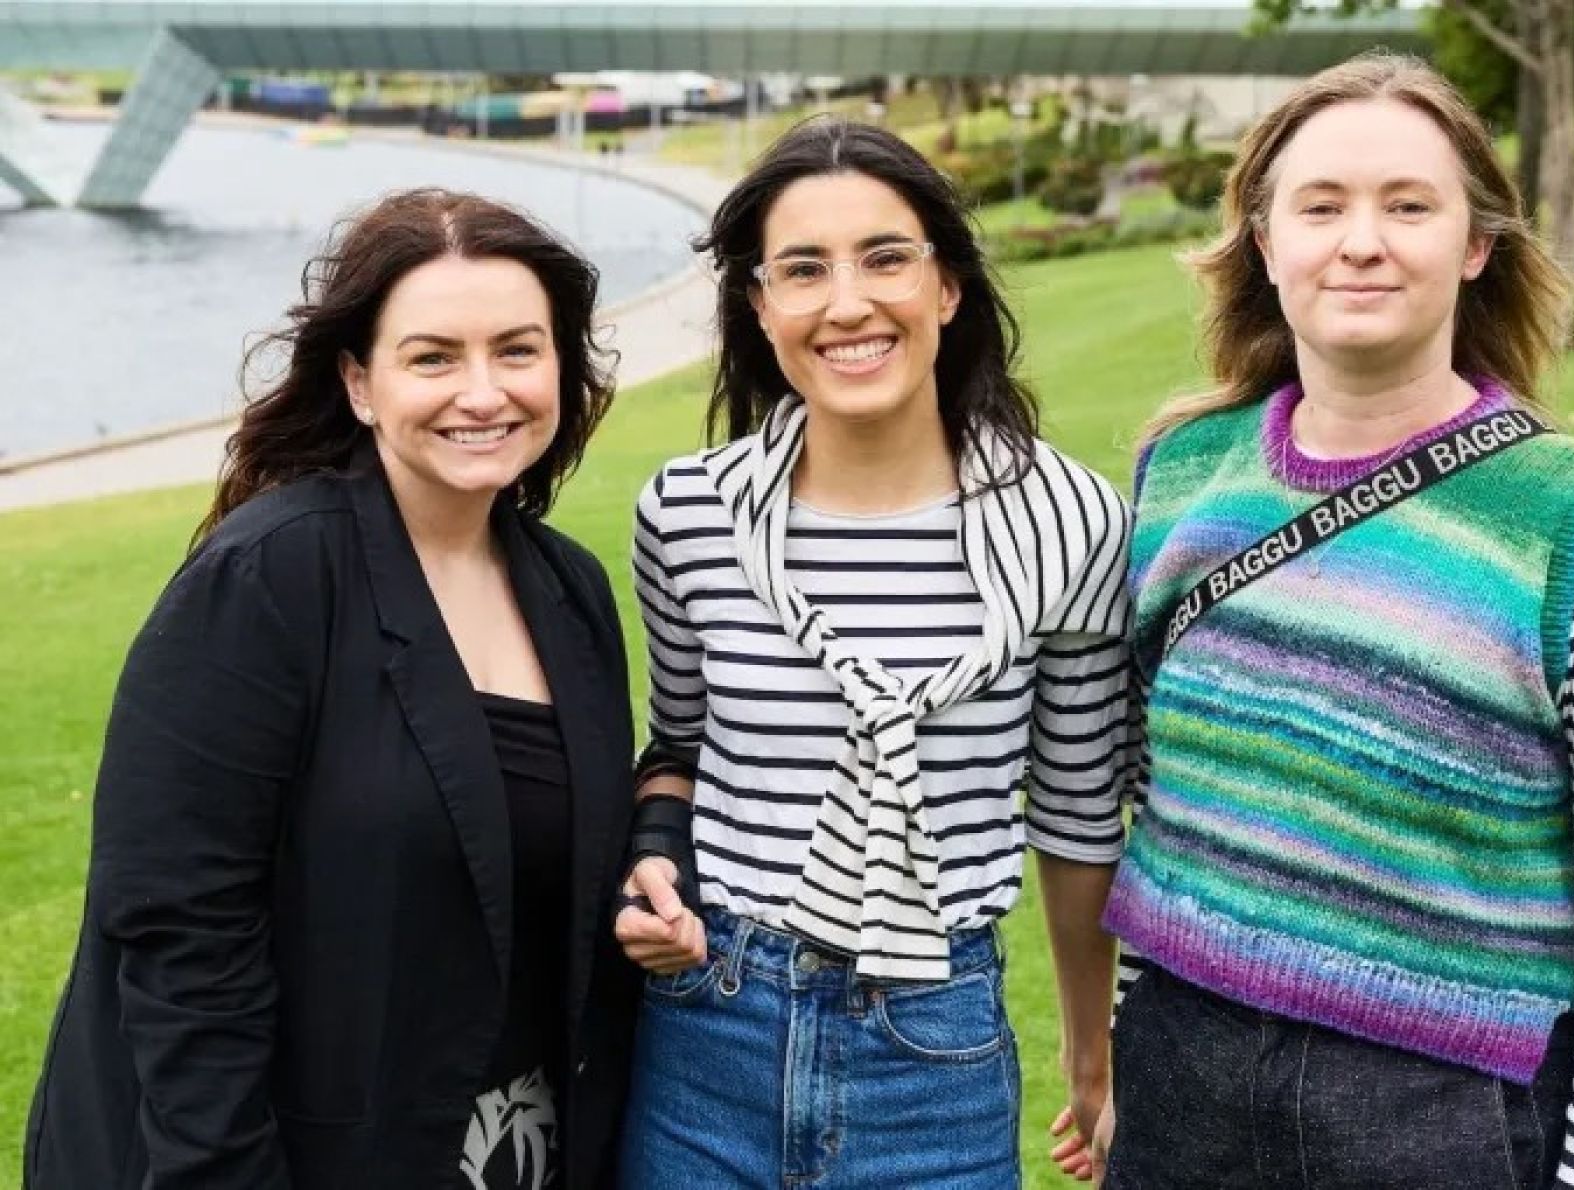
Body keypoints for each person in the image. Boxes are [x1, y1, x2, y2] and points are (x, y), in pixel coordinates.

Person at [1094, 53, 1574, 1189]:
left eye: (1409, 204)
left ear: (1475, 245)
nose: (1361, 239)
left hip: (1441, 1114)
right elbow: (1162, 808)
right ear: (1264, 242)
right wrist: (1133, 1049)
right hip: (1181, 1083)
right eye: (1320, 206)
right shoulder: (1178, 477)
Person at [24, 188, 640, 1190]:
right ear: (360, 382)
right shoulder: (267, 578)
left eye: (518, 350)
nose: (482, 392)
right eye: (433, 356)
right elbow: (179, 930)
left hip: (505, 1150)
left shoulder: (570, 588)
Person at [613, 118, 1134, 1188]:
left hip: (935, 1048)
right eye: (803, 270)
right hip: (708, 1027)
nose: (847, 303)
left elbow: (1079, 812)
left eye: (885, 257)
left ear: (947, 285)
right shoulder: (687, 514)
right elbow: (679, 750)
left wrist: (1093, 1051)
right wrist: (650, 869)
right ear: (761, 307)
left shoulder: (1074, 522)